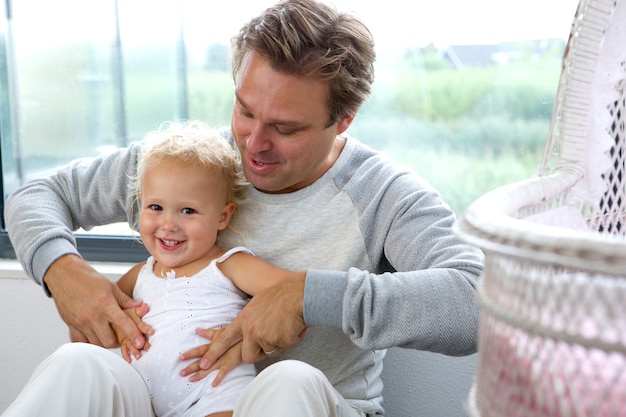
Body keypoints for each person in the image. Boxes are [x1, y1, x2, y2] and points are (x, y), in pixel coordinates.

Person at [3, 0, 484, 416]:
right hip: (162, 400)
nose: (254, 143)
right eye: (245, 110)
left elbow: (476, 301)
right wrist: (61, 270)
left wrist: (306, 295)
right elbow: (37, 195)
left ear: (343, 120)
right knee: (78, 364)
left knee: (287, 380)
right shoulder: (193, 166)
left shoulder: (383, 194)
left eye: (286, 128)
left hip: (312, 403)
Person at [114, 121, 300, 417]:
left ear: (223, 217)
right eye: (156, 207)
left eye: (188, 211)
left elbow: (295, 292)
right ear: (141, 204)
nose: (168, 224)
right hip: (144, 402)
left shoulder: (227, 265)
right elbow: (94, 322)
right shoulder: (140, 274)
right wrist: (120, 326)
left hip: (214, 395)